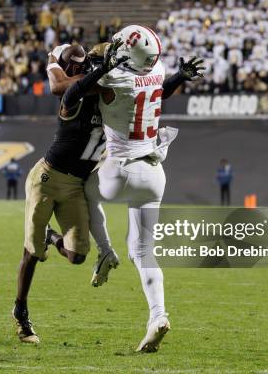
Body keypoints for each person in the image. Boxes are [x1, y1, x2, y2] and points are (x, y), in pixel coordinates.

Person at [81, 26, 204, 352]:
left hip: (119, 170)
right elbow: (160, 89)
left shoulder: (113, 79)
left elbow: (74, 91)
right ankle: (158, 316)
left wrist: (100, 63)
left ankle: (105, 251)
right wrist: (179, 77)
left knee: (83, 191)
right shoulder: (158, 69)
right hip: (153, 173)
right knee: (144, 251)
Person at [12, 43, 124, 345]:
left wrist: (178, 77)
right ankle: (21, 312)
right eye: (80, 68)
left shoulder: (111, 100)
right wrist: (100, 70)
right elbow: (65, 86)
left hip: (75, 184)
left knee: (77, 255)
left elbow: (152, 91)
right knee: (32, 252)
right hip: (47, 179)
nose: (83, 71)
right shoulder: (73, 96)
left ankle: (52, 237)